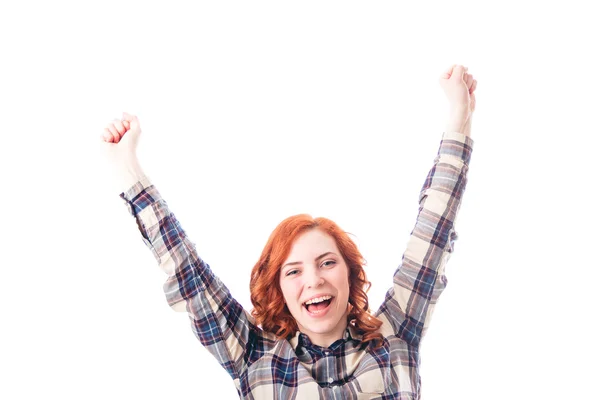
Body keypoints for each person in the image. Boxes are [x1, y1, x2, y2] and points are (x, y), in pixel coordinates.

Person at [100, 64, 477, 399]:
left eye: (327, 262)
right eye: (293, 271)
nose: (313, 280)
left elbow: (434, 231)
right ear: (278, 288)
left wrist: (460, 117)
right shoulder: (252, 354)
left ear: (350, 273)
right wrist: (129, 170)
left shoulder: (395, 335)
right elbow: (188, 273)